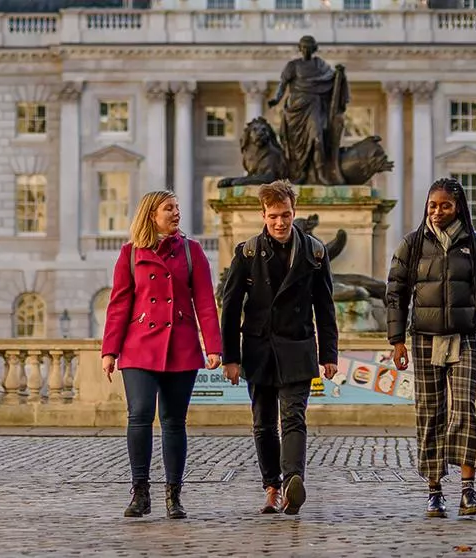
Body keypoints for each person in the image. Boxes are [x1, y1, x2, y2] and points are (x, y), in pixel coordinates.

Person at [385, 177, 476, 518]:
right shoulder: (411, 245)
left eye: (445, 206)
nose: (438, 212)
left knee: (464, 410)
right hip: (423, 338)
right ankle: (434, 491)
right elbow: (395, 294)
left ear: (459, 208)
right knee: (429, 413)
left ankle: (468, 491)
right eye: (432, 206)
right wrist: (396, 340)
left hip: (465, 337)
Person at [101, 191, 223, 520]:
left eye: (177, 208)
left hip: (180, 345)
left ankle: (174, 495)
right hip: (139, 345)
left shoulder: (191, 251)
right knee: (139, 415)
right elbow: (119, 304)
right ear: (151, 214)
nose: (176, 213)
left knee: (173, 422)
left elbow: (205, 303)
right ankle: (140, 493)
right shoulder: (130, 253)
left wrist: (213, 346)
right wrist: (109, 350)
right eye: (169, 208)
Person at [219, 181, 339, 516]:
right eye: (273, 216)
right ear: (263, 215)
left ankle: (292, 481)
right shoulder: (247, 252)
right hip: (259, 349)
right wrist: (230, 357)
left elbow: (325, 306)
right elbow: (230, 308)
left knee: (294, 418)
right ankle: (271, 486)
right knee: (262, 423)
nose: (280, 222)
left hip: (298, 347)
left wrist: (329, 354)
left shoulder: (314, 251)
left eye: (285, 215)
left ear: (294, 212)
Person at [267, 35, 349, 185]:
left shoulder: (320, 65)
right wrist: (276, 99)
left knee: (317, 137)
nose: (305, 50)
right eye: (303, 47)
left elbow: (331, 79)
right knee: (295, 145)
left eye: (309, 47)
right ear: (300, 49)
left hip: (314, 105)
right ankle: (300, 172)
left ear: (314, 49)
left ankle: (320, 173)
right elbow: (283, 85)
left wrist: (339, 75)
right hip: (296, 109)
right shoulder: (293, 66)